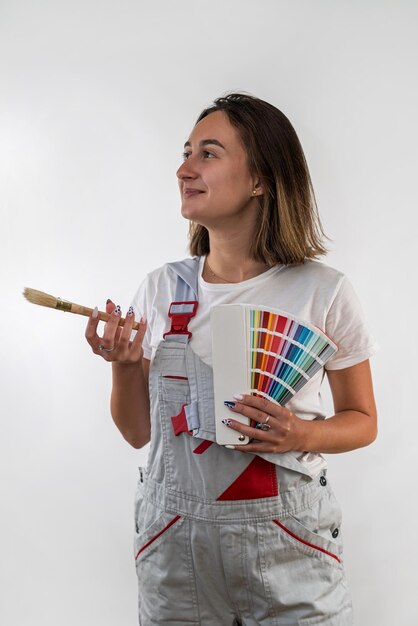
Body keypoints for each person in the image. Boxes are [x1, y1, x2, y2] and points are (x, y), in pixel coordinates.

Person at [85, 93, 378, 626]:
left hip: (289, 548)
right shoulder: (162, 289)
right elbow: (136, 434)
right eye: (186, 152)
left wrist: (301, 435)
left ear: (261, 178)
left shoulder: (322, 292)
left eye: (208, 153)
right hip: (175, 549)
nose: (184, 169)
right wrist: (123, 365)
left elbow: (363, 421)